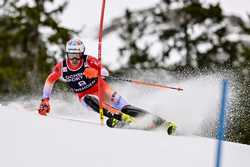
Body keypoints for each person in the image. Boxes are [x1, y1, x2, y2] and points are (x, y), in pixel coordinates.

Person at [38, 37, 135, 126]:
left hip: (102, 88)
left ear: (82, 53)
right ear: (67, 54)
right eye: (71, 55)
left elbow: (105, 72)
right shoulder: (62, 67)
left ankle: (144, 118)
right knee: (89, 99)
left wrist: (96, 72)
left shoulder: (89, 61)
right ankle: (119, 117)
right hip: (84, 95)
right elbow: (50, 80)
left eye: (77, 55)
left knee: (125, 107)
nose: (74, 59)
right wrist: (45, 100)